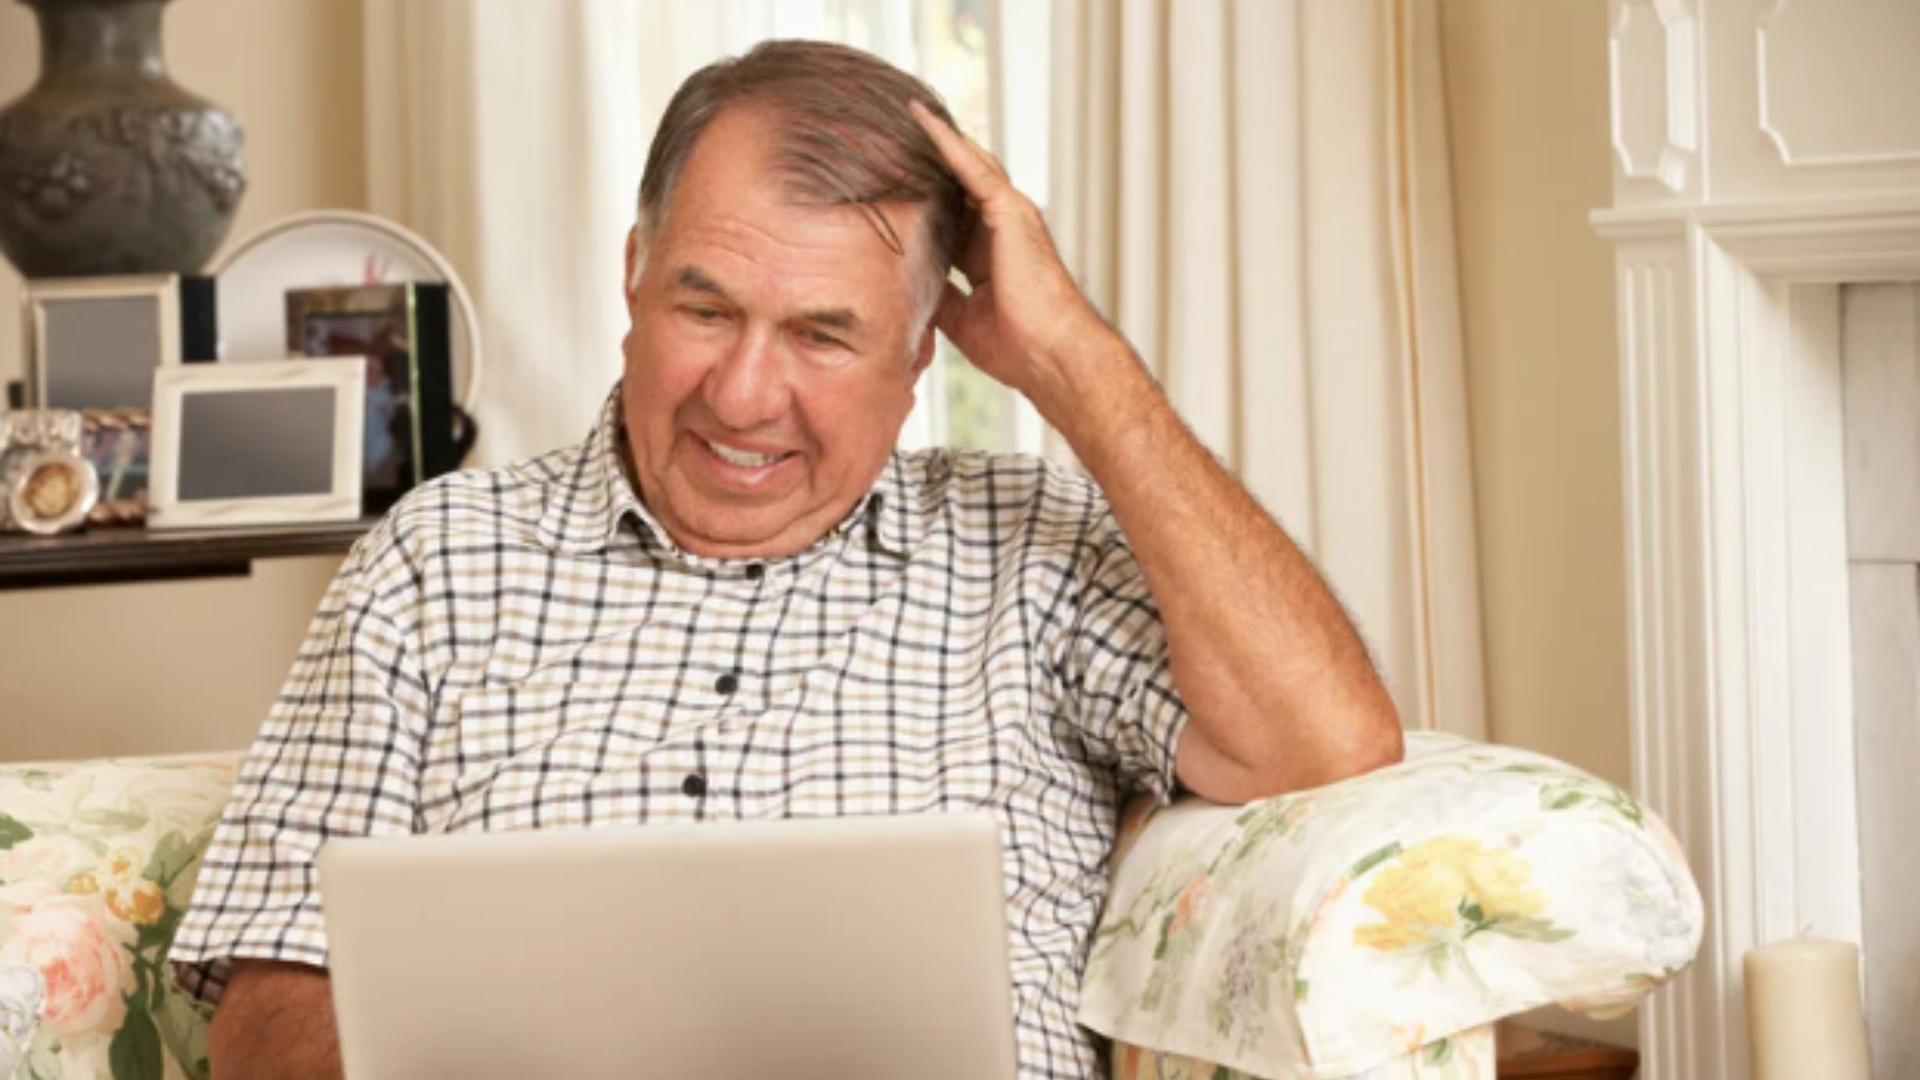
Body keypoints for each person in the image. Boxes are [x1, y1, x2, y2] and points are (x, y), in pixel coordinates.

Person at [170, 40, 1403, 1080]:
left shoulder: (1031, 550)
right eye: (707, 311)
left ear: (925, 353)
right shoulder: (434, 565)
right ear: (635, 274)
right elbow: (266, 1013)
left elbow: (1320, 738)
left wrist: (1072, 358)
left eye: (824, 334)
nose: (746, 395)